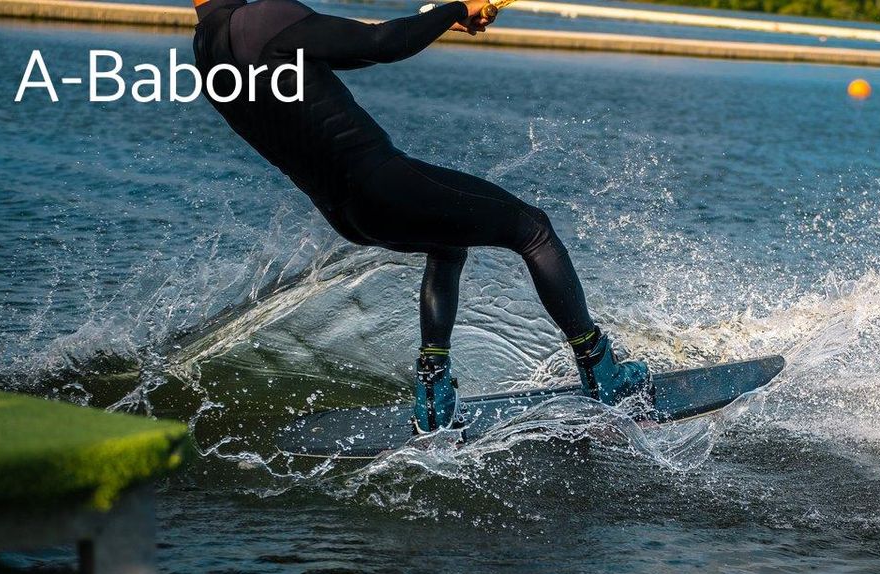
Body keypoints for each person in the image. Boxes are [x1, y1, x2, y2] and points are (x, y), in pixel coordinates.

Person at [191, 0, 650, 433]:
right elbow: (380, 44)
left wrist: (433, 20)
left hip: (347, 213)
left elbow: (357, 49)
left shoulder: (209, 52)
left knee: (446, 244)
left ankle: (433, 392)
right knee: (533, 231)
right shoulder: (261, 20)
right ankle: (600, 370)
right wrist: (455, 8)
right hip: (382, 182)